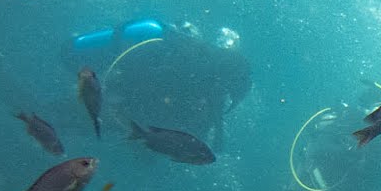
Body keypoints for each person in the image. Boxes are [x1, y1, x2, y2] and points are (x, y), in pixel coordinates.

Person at [63, 18, 250, 147]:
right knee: (74, 118)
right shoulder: (199, 70)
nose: (225, 96)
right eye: (230, 92)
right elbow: (156, 92)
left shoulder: (208, 72)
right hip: (122, 97)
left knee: (76, 119)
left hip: (125, 99)